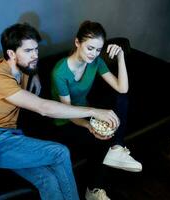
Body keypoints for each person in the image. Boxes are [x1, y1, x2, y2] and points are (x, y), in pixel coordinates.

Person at [0, 23, 120, 200]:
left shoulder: (22, 68)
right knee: (60, 152)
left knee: (47, 179)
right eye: (29, 51)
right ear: (11, 53)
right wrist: (95, 111)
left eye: (36, 50)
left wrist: (35, 74)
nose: (35, 56)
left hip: (12, 135)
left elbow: (31, 67)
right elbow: (43, 108)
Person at [50, 21, 142, 200]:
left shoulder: (96, 62)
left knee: (121, 98)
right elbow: (68, 112)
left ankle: (117, 147)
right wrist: (91, 126)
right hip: (65, 121)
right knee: (97, 140)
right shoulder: (60, 73)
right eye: (90, 48)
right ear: (77, 43)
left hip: (86, 111)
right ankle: (93, 190)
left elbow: (122, 88)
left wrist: (121, 56)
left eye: (98, 50)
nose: (93, 54)